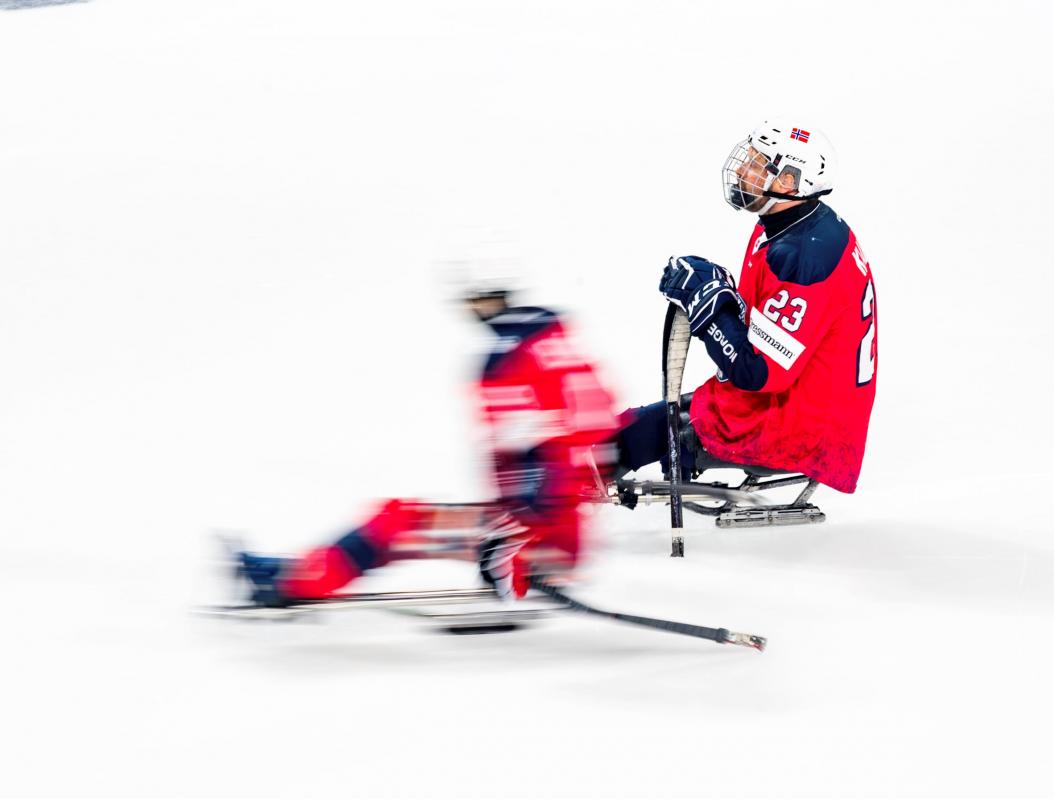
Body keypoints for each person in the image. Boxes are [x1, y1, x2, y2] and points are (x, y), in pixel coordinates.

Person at [237, 279, 620, 607]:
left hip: (538, 540)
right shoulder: (554, 345)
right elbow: (584, 437)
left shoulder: (513, 361)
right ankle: (298, 569)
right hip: (541, 526)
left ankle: (292, 583)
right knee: (400, 518)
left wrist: (520, 534)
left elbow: (553, 456)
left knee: (397, 523)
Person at [617, 121, 878, 494]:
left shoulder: (804, 256)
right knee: (632, 428)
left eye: (756, 164)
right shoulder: (791, 226)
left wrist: (709, 310)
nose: (742, 170)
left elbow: (758, 373)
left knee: (634, 436)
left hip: (799, 430)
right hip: (798, 404)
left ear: (789, 182)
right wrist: (721, 297)